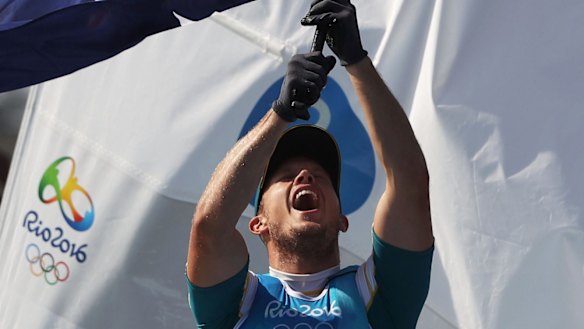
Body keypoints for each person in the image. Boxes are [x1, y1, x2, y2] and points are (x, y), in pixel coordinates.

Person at [186, 0, 434, 328]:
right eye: (286, 176)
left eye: (320, 176)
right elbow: (210, 226)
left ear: (343, 220)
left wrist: (356, 61)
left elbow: (409, 183)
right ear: (257, 222)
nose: (305, 176)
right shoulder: (237, 304)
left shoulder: (379, 296)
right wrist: (279, 114)